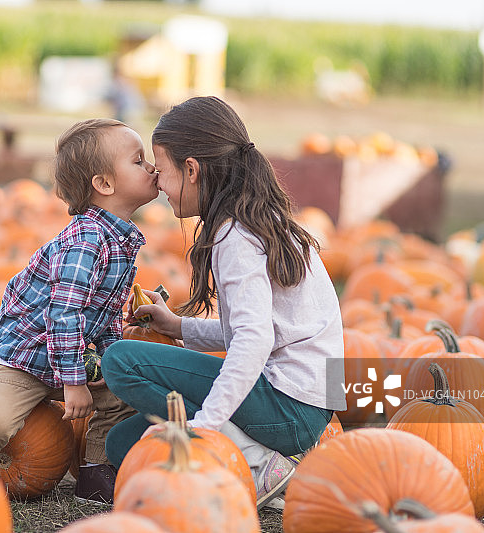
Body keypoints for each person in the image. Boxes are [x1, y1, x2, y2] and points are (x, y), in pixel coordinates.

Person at [100, 96, 346, 510]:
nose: (158, 183)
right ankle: (246, 461)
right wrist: (177, 327)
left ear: (192, 170)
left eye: (163, 171)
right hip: (309, 400)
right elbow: (261, 330)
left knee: (122, 361)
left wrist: (206, 427)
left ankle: (256, 462)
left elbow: (252, 340)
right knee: (123, 445)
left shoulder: (234, 236)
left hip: (290, 405)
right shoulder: (259, 219)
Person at [0, 118, 160, 505]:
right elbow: (64, 315)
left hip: (69, 359)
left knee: (122, 394)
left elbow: (107, 314)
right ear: (105, 184)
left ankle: (95, 475)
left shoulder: (122, 239)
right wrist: (76, 382)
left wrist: (112, 362)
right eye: (139, 160)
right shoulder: (87, 241)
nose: (152, 168)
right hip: (22, 360)